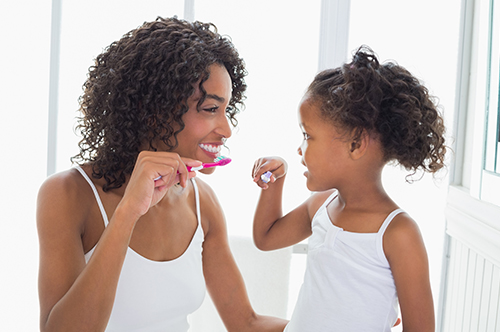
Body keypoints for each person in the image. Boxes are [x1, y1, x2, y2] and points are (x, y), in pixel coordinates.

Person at [37, 16, 287, 332]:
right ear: (155, 111)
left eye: (227, 110)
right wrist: (128, 212)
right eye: (211, 109)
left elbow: (246, 323)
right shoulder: (68, 194)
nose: (226, 130)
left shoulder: (202, 202)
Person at [251, 46, 446, 332]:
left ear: (355, 144)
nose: (299, 148)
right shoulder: (321, 205)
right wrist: (274, 183)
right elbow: (266, 238)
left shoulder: (398, 234)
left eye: (308, 135)